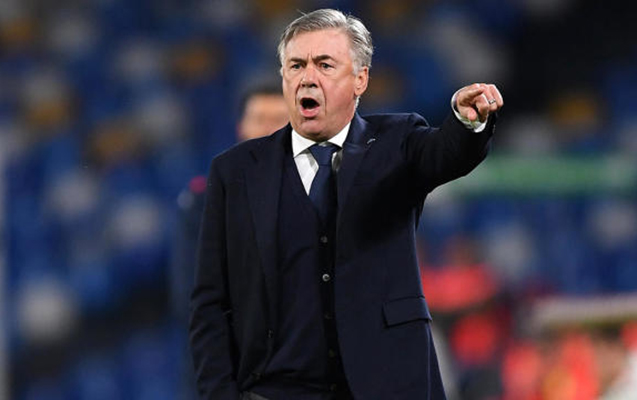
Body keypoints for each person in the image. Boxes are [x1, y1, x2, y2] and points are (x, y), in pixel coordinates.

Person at [189, 8, 503, 400]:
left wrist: (467, 122)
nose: (308, 77)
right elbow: (210, 303)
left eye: (324, 65)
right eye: (296, 65)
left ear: (360, 79)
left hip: (390, 386)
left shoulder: (396, 141)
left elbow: (447, 152)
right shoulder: (235, 172)